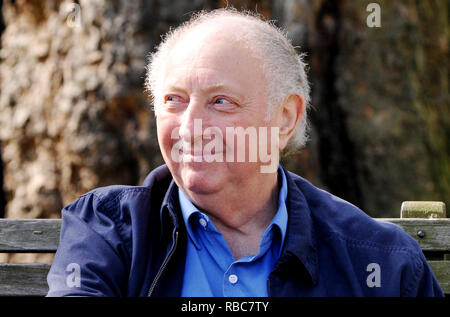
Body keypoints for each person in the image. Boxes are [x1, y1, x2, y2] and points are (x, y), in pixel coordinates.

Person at [46, 8, 444, 297]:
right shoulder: (108, 229)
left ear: (285, 119)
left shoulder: (381, 262)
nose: (189, 129)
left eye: (221, 102)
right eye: (174, 100)